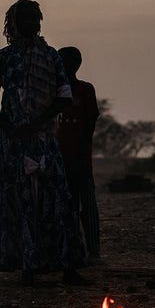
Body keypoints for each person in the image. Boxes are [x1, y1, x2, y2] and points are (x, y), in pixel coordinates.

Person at [0, 0, 88, 285]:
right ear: (13, 23)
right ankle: (27, 268)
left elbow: (64, 96)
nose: (32, 23)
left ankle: (67, 266)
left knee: (58, 200)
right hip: (14, 145)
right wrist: (13, 128)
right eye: (26, 18)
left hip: (45, 141)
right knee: (21, 201)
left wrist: (40, 121)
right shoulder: (1, 59)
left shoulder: (52, 56)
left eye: (35, 18)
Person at [57, 46, 101, 262]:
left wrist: (80, 155)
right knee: (69, 207)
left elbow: (89, 125)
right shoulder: (53, 90)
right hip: (60, 160)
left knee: (86, 206)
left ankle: (92, 252)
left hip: (79, 160)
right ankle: (72, 251)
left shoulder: (85, 90)